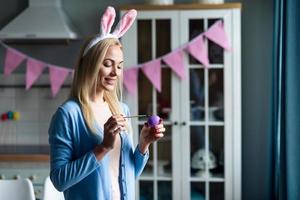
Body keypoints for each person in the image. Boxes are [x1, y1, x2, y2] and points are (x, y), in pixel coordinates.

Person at [48, 6, 165, 200]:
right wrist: (103, 147)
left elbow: (129, 175)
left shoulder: (120, 109)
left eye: (119, 66)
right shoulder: (68, 114)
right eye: (108, 64)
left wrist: (144, 145)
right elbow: (59, 181)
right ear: (90, 65)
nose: (115, 73)